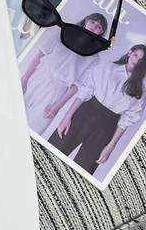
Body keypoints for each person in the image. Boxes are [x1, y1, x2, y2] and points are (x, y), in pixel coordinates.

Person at [48, 44, 146, 175]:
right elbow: (85, 91)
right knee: (52, 151)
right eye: (135, 55)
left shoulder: (141, 89)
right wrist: (67, 117)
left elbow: (127, 119)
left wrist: (111, 145)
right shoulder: (107, 67)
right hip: (84, 114)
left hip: (107, 127)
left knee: (82, 171)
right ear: (129, 52)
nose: (136, 60)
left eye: (141, 60)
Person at [21, 13, 107, 134]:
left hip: (57, 91)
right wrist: (24, 79)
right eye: (93, 22)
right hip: (38, 78)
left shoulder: (94, 57)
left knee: (33, 128)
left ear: (101, 33)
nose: (94, 26)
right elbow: (39, 55)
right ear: (86, 20)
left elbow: (77, 85)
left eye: (98, 27)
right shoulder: (63, 33)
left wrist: (57, 106)